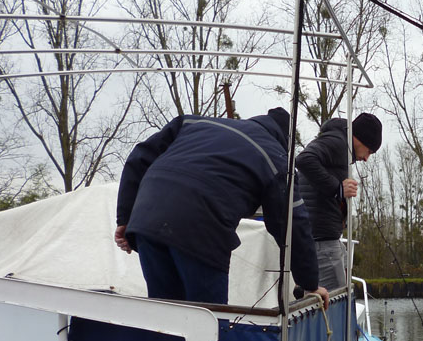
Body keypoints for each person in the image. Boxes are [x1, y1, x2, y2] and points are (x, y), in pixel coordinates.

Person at [115, 107, 328, 308]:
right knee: (208, 326)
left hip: (146, 221)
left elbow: (139, 157)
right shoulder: (274, 156)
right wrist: (310, 284)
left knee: (166, 318)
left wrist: (125, 217)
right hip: (201, 229)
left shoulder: (192, 123)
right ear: (285, 141)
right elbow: (292, 224)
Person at [296, 112, 382, 290]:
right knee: (337, 303)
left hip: (321, 238)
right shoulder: (338, 142)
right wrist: (337, 188)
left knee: (323, 298)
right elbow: (303, 159)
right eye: (369, 151)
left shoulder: (340, 144)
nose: (366, 158)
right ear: (361, 139)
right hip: (322, 242)